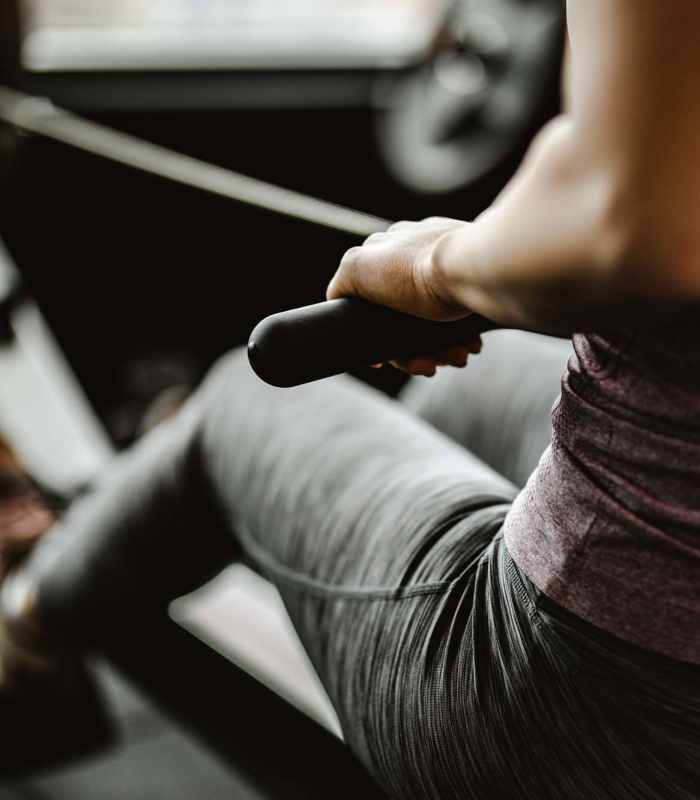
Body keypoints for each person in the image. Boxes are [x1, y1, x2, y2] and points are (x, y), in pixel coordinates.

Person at [2, 1, 699, 796]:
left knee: (246, 406)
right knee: (480, 379)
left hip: (619, 713)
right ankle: (354, 558)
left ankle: (21, 640)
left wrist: (436, 267)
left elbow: (632, 225)